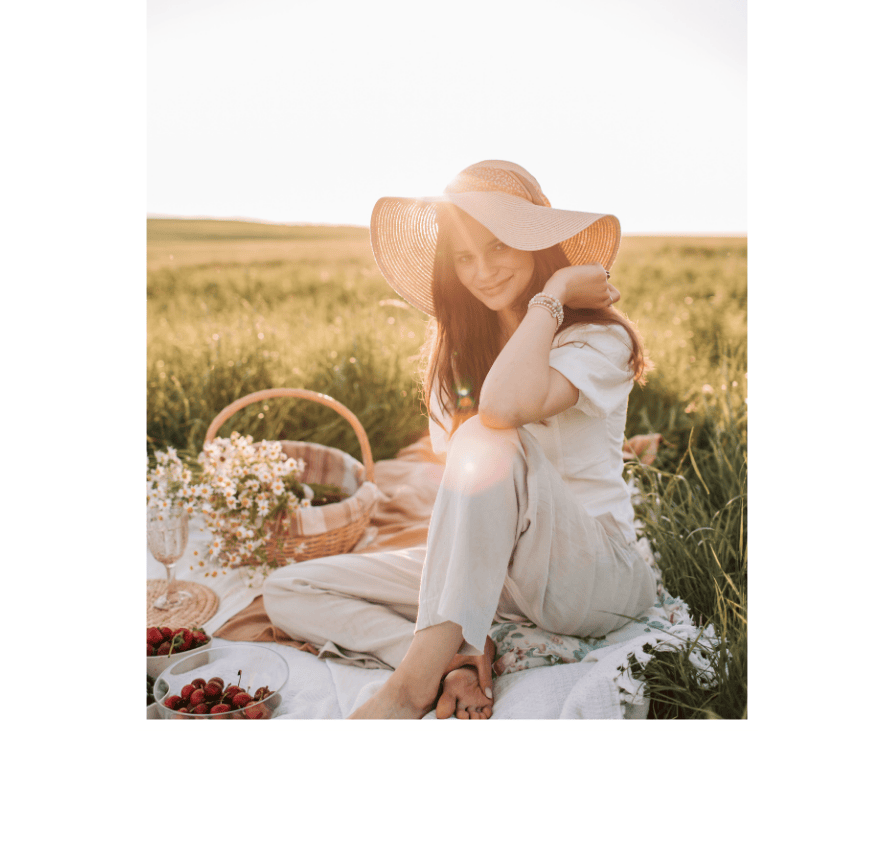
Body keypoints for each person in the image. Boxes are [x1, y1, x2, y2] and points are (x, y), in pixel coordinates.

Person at [262, 160, 657, 720]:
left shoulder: (596, 335)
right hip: (500, 581)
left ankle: (406, 690)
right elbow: (467, 495)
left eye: (499, 247)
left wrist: (556, 292)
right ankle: (446, 663)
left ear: (537, 246)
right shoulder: (457, 354)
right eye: (464, 258)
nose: (482, 271)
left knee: (485, 436)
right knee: (289, 589)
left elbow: (501, 410)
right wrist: (461, 636)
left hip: (593, 577)